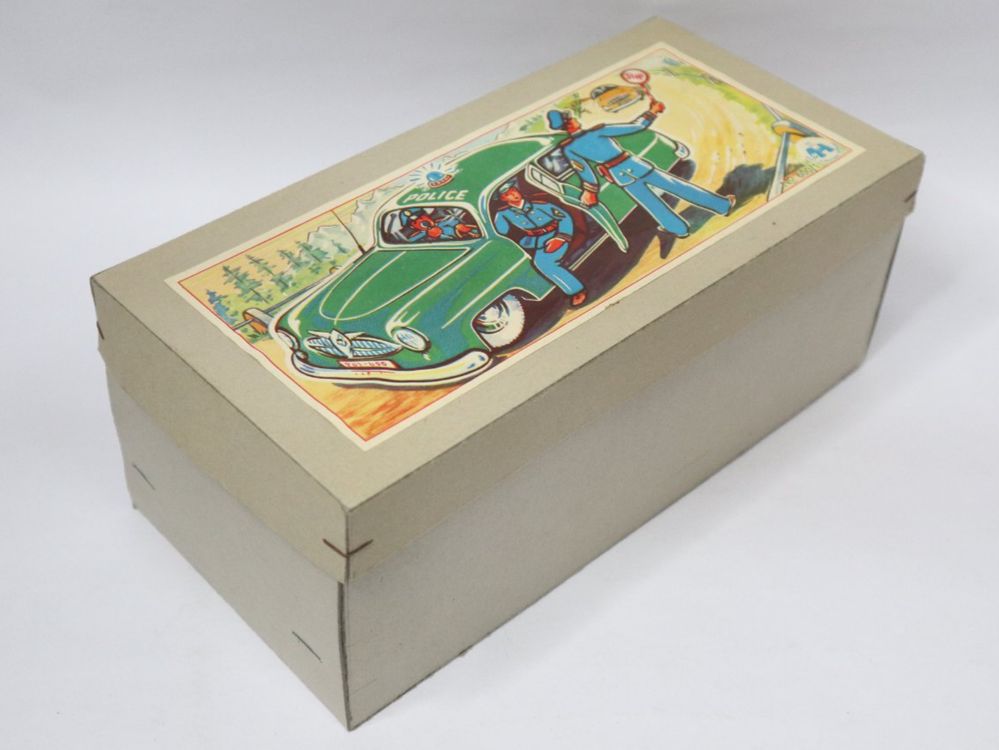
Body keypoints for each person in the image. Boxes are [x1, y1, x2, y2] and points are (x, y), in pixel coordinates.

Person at [547, 102, 735, 239]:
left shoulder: (568, 148)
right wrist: (652, 111)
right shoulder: (598, 130)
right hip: (636, 165)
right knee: (678, 187)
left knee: (651, 204)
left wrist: (590, 191)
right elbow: (636, 126)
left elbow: (585, 172)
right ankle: (722, 206)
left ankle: (679, 230)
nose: (575, 118)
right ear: (569, 122)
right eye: (570, 117)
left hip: (619, 175)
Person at [493, 180, 587, 307]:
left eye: (514, 190)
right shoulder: (503, 214)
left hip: (555, 234)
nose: (514, 194)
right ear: (503, 199)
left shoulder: (539, 204)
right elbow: (499, 233)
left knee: (544, 263)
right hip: (533, 241)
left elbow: (564, 218)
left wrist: (560, 238)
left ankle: (576, 291)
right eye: (508, 194)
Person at [400, 207, 479, 242]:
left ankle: (472, 233)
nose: (421, 221)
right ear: (412, 226)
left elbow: (455, 223)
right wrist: (430, 236)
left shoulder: (441, 221)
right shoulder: (421, 234)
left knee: (460, 227)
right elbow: (410, 241)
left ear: (426, 215)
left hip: (465, 236)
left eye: (421, 216)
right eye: (414, 221)